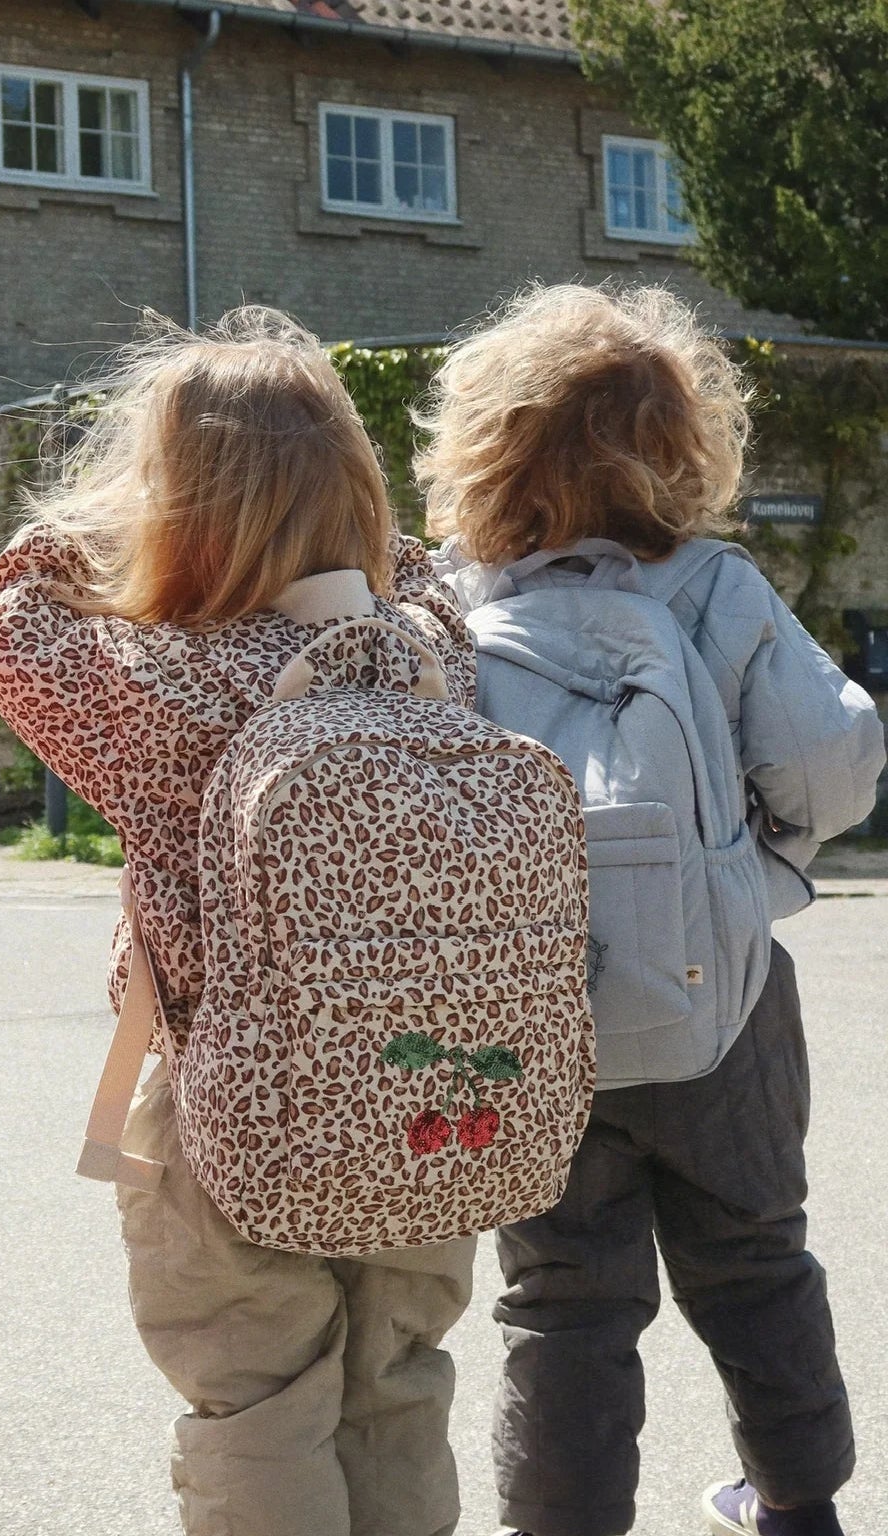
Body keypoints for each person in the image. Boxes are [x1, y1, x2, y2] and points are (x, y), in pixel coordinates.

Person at [0, 306, 480, 1536]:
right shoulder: (429, 658)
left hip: (230, 1087)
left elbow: (11, 610)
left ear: (174, 505)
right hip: (429, 1087)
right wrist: (352, 525)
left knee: (258, 1390)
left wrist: (132, 512)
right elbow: (411, 569)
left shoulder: (161, 687)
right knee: (396, 1381)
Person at [418, 283, 884, 1536]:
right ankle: (796, 1506)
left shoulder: (453, 611)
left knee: (563, 1299)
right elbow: (833, 767)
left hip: (531, 1023)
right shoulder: (716, 593)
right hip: (719, 1008)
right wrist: (756, 856)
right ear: (685, 450)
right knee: (756, 1262)